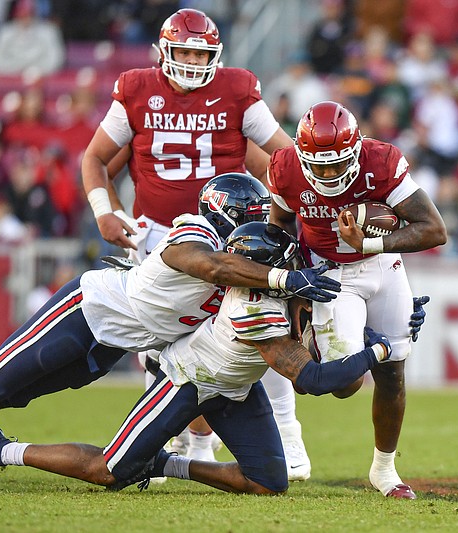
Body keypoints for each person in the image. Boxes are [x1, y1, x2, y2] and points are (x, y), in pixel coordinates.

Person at [0, 173, 341, 480]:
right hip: (89, 311)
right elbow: (212, 268)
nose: (257, 228)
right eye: (249, 217)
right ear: (222, 213)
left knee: (10, 394)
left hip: (118, 342)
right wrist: (283, 276)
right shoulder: (193, 230)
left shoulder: (245, 264)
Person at [0, 222, 393, 493]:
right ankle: (2, 450)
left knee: (268, 482)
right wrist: (379, 349)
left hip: (234, 386)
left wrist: (374, 324)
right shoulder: (251, 307)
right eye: (281, 265)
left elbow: (323, 333)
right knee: (110, 471)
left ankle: (164, 462)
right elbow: (312, 379)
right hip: (189, 380)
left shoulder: (281, 293)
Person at [81, 8, 311, 479]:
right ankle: (187, 444)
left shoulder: (237, 89)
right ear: (164, 51)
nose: (189, 60)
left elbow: (283, 156)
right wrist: (104, 211)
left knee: (258, 329)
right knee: (162, 346)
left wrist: (290, 212)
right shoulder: (137, 88)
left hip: (228, 232)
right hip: (162, 235)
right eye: (182, 50)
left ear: (215, 55)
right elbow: (96, 158)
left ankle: (288, 435)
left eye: (199, 52)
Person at [267, 100, 448, 499]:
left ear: (356, 149)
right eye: (320, 165)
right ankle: (329, 337)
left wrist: (369, 241)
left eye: (337, 163)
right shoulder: (285, 168)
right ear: (301, 157)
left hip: (381, 264)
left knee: (393, 370)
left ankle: (385, 470)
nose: (329, 174)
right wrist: (295, 285)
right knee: (345, 382)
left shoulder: (381, 162)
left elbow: (434, 230)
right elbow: (278, 223)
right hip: (329, 273)